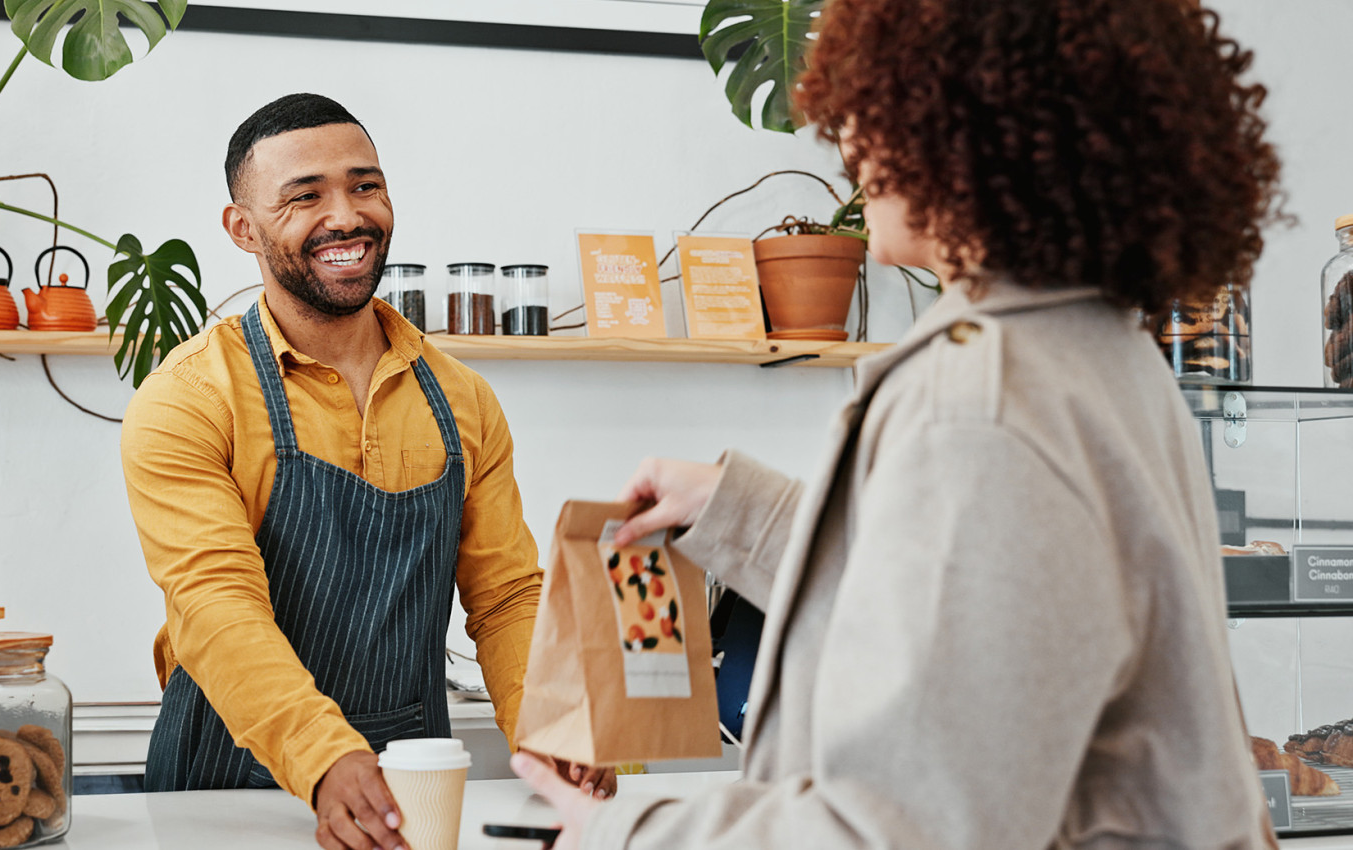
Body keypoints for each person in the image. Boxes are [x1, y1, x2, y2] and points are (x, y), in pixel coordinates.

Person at [511, 0, 1283, 847]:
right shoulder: (1100, 354)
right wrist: (739, 509)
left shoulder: (980, 398)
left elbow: (902, 828)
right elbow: (976, 615)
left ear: (965, 125)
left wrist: (622, 828)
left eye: (874, 105)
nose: (849, 143)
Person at [121, 93, 612, 850]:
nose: (345, 216)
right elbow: (217, 606)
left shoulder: (461, 398)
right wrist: (325, 759)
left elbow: (507, 594)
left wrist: (551, 728)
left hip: (413, 775)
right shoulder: (189, 398)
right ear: (242, 229)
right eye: (305, 196)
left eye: (365, 185)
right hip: (224, 780)